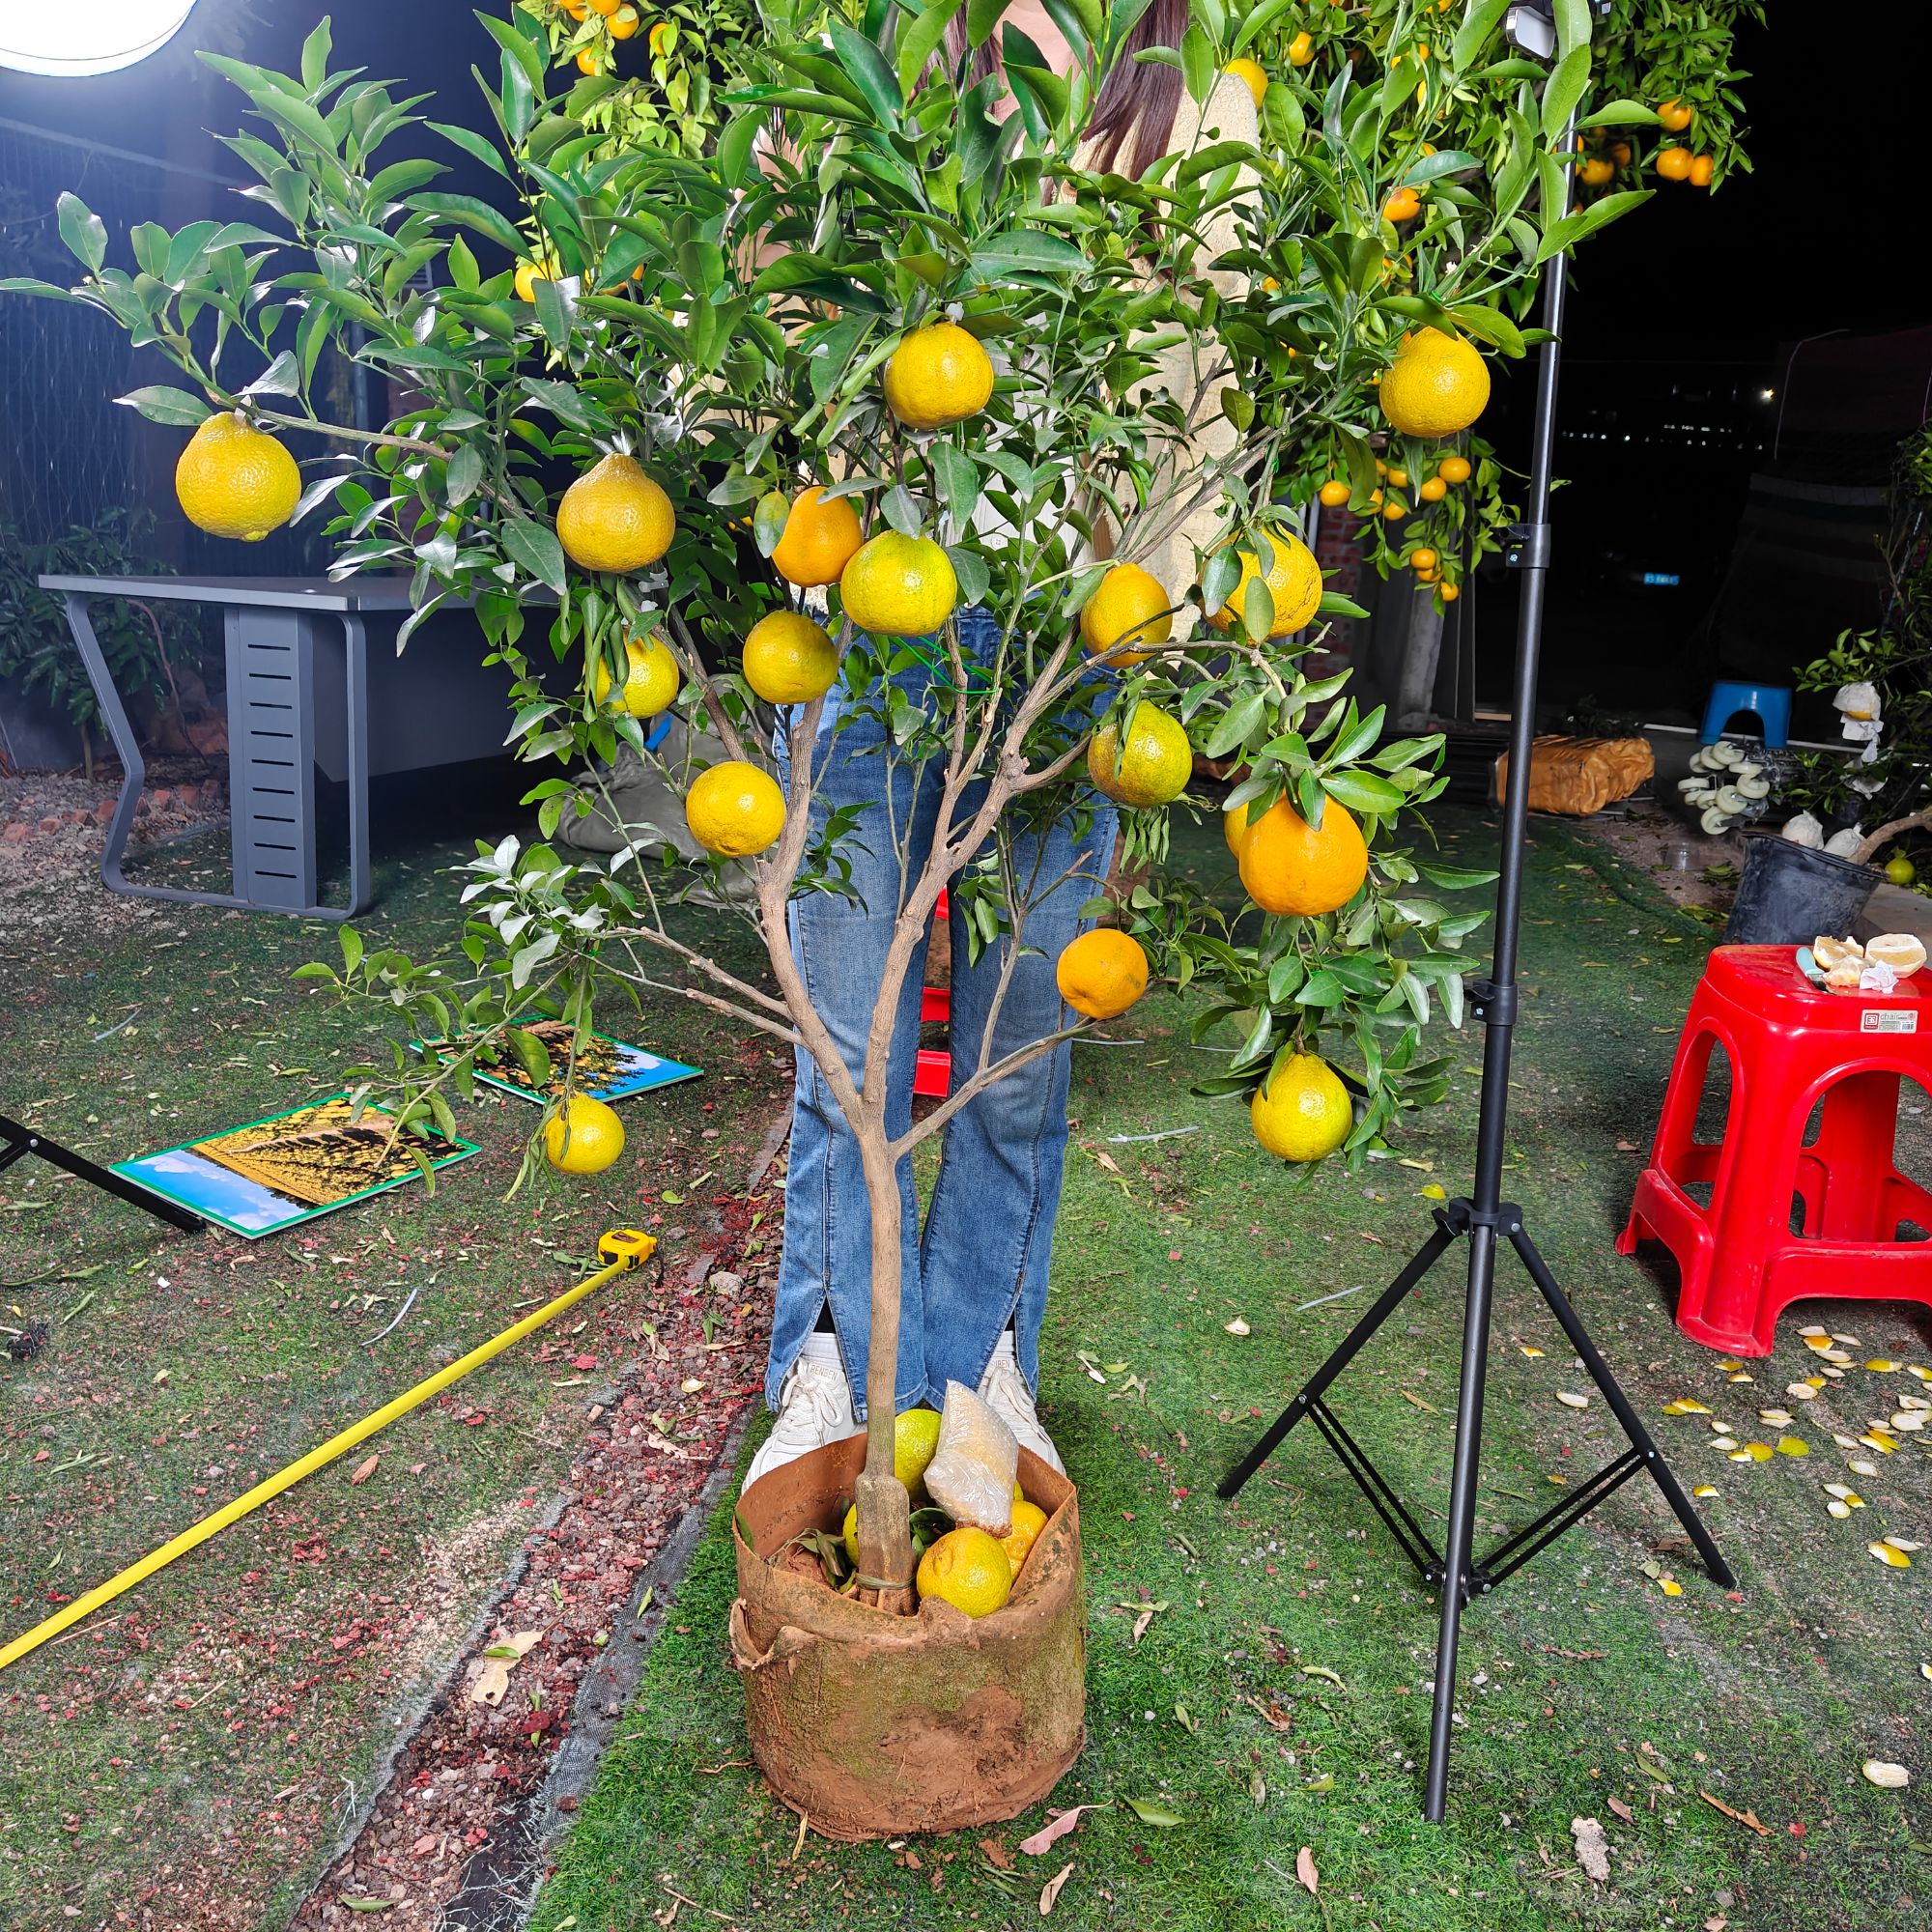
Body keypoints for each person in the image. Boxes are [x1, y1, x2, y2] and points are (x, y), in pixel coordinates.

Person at [746, 0, 1258, 1487]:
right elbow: (772, 313)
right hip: (868, 626)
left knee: (1018, 1054)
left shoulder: (1194, 100)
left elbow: (1211, 402)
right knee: (841, 1041)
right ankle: (827, 1377)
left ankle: (981, 1374)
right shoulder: (864, 61)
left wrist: (1163, 610)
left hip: (1072, 643)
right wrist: (795, 537)